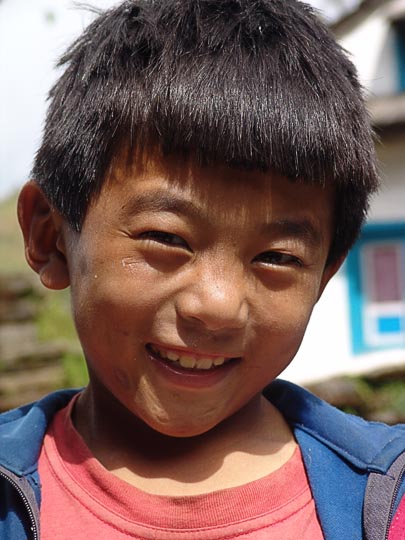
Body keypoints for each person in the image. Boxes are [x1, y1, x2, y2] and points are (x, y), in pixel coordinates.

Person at [1, 0, 405, 538]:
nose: (217, 306)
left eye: (278, 257)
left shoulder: (385, 503)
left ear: (324, 275)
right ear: (50, 237)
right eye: (166, 239)